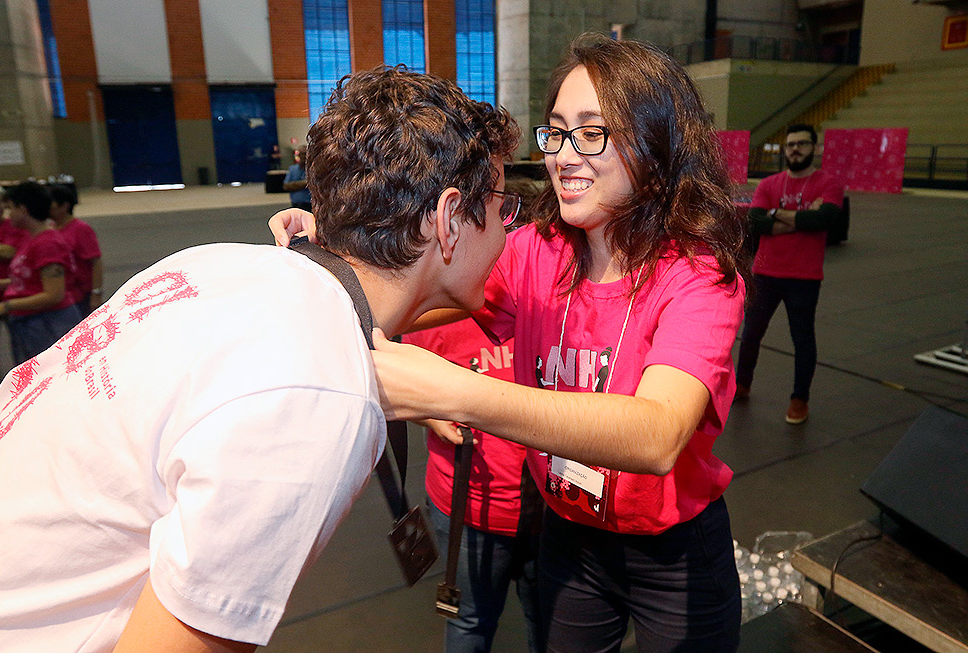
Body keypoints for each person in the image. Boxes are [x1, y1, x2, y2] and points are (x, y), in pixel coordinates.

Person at [0, 66, 520, 652]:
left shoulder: (213, 263)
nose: (506, 232)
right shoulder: (316, 392)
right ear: (448, 220)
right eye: (501, 208)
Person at [274, 34, 748, 652]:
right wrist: (337, 249)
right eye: (555, 132)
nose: (564, 155)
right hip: (571, 533)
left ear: (657, 143)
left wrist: (458, 393)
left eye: (592, 131)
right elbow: (402, 296)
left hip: (675, 550)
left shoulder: (697, 275)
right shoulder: (535, 254)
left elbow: (658, 434)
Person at [402, 176, 546, 653]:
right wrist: (430, 415)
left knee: (551, 625)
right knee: (469, 626)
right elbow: (399, 380)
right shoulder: (440, 312)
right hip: (469, 507)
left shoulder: (548, 308)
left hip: (550, 509)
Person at [734, 124, 844, 424]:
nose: (795, 149)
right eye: (790, 144)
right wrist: (804, 220)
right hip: (765, 273)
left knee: (803, 339)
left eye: (802, 144)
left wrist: (776, 214)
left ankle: (799, 400)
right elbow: (755, 222)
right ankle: (741, 384)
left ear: (814, 148)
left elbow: (827, 219)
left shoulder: (828, 183)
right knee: (751, 334)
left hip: (804, 277)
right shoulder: (769, 184)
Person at [0, 181, 80, 365]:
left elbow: (54, 294)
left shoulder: (47, 243)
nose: (9, 214)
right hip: (30, 323)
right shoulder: (31, 239)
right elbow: (26, 281)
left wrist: (6, 306)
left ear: (23, 209)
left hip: (49, 323)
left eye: (11, 208)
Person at [0, 183, 28, 397]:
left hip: (16, 297)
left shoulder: (13, 226)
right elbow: (4, 252)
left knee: (23, 351)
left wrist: (0, 251)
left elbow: (13, 252)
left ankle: (24, 392)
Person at [49, 183, 104, 316]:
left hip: (81, 294)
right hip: (62, 292)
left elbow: (96, 262)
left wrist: (96, 293)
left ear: (65, 205)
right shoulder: (50, 228)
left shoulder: (81, 229)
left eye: (50, 204)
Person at [283, 146, 312, 212]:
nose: (303, 156)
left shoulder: (314, 169)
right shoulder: (292, 169)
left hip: (309, 204)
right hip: (296, 204)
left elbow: (314, 184)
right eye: (301, 154)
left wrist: (295, 184)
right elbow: (286, 186)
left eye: (305, 153)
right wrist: (304, 183)